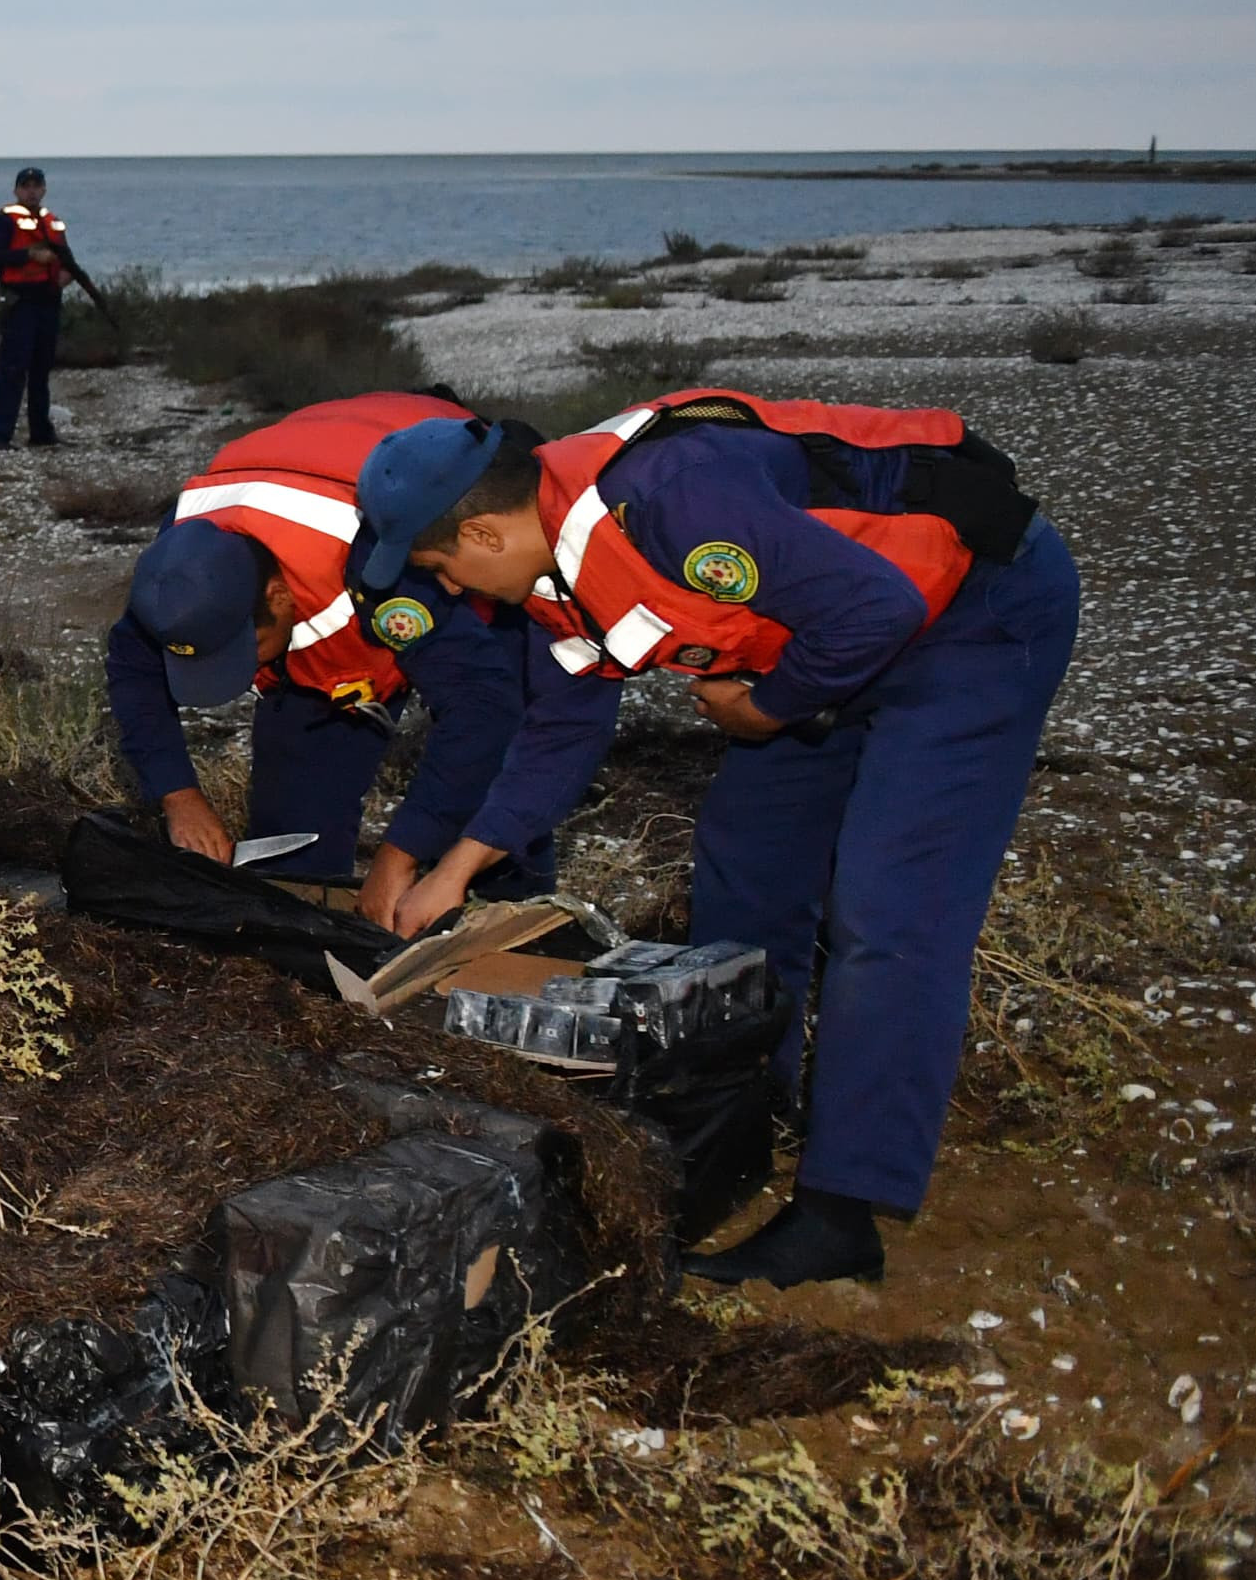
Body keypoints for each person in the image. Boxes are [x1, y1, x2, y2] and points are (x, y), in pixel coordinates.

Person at [349, 391, 1074, 1289]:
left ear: (487, 534)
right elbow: (561, 734)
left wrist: (765, 708)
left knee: (891, 907)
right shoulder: (548, 580)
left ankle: (844, 1211)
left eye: (443, 568)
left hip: (970, 615)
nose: (451, 592)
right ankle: (745, 1103)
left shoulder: (671, 502)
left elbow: (876, 607)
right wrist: (457, 867)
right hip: (824, 642)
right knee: (746, 857)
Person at [108, 390, 620, 925]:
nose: (236, 680)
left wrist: (402, 854)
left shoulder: (397, 569)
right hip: (325, 536)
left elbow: (482, 712)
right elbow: (132, 670)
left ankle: (509, 934)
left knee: (489, 805)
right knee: (293, 861)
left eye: (245, 652)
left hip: (453, 528)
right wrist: (178, 794)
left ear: (282, 597)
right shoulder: (181, 577)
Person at [0, 166, 84, 448]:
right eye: (25, 186)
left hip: (49, 301)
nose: (31, 191)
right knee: (12, 370)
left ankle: (41, 434)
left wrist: (67, 275)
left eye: (36, 186)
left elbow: (67, 259)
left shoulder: (51, 222)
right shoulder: (4, 221)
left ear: (44, 190)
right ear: (16, 190)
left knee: (41, 370)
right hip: (19, 302)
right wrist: (28, 255)